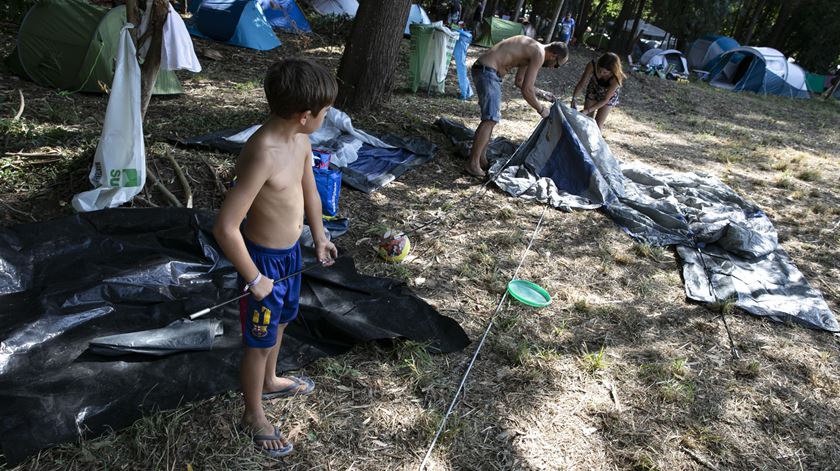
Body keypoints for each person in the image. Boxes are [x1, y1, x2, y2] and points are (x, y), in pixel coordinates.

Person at [213, 58, 338, 457]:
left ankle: (270, 380)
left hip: (290, 257)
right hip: (263, 263)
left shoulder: (301, 141)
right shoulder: (262, 152)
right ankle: (253, 413)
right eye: (325, 111)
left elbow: (310, 193)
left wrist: (318, 236)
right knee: (259, 340)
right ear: (304, 115)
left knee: (281, 322)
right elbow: (226, 227)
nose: (327, 115)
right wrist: (254, 277)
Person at [466, 36, 569, 177]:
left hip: (488, 72)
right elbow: (526, 90)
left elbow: (520, 81)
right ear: (553, 55)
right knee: (490, 119)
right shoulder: (538, 53)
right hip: (487, 71)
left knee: (492, 119)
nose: (553, 68)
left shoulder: (532, 49)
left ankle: (481, 159)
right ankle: (473, 164)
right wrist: (541, 109)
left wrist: (541, 93)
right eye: (556, 65)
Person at [570, 52, 625, 130]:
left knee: (598, 124)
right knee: (587, 120)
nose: (601, 73)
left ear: (612, 71)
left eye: (605, 72)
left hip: (608, 96)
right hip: (594, 89)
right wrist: (574, 99)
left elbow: (605, 99)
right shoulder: (592, 65)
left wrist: (587, 110)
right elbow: (581, 83)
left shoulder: (617, 78)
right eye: (599, 70)